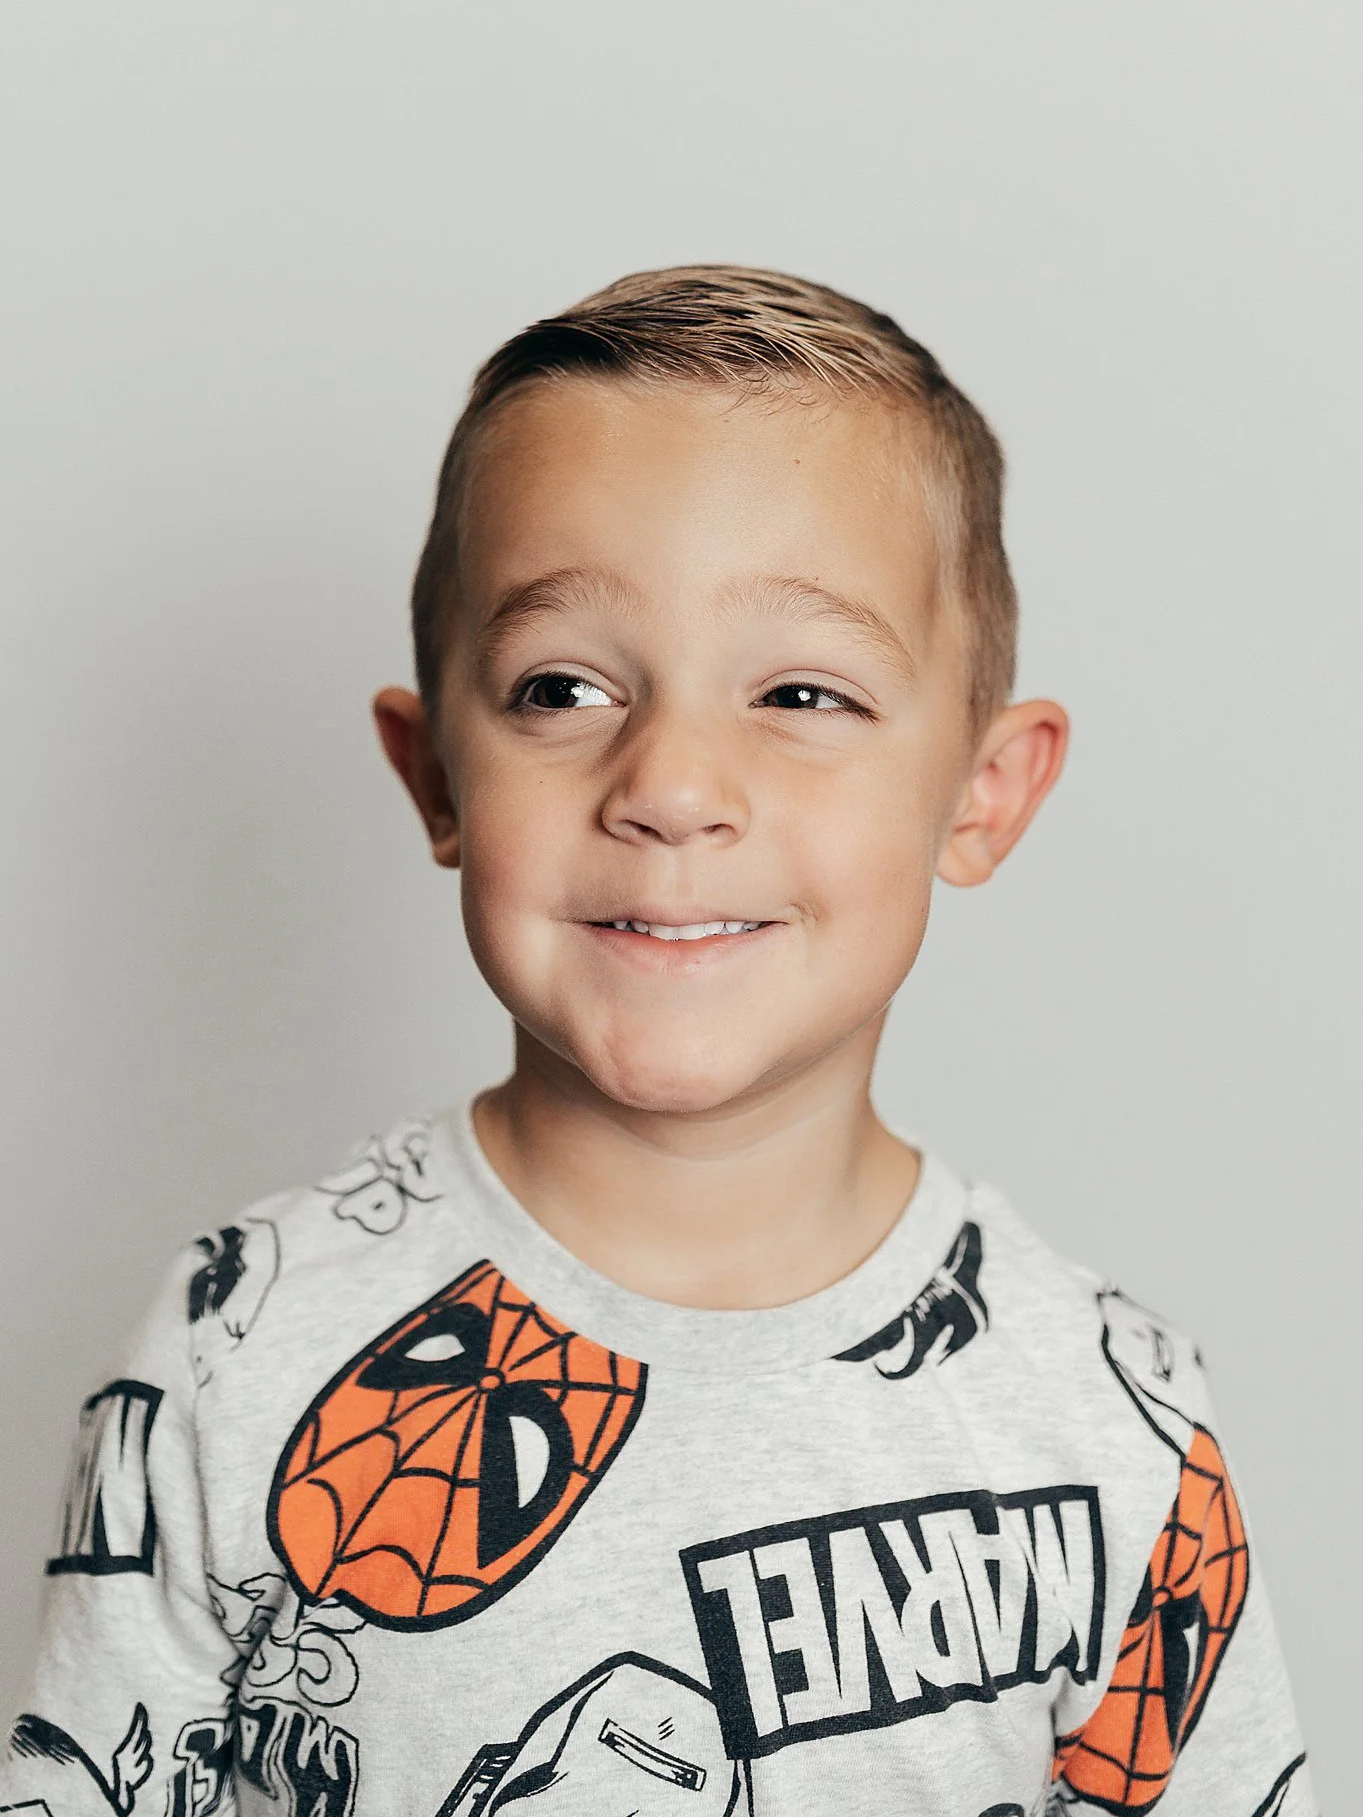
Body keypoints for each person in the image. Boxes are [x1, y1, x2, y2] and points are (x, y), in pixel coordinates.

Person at [1, 267, 1313, 1817]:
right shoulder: (236, 1355)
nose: (673, 784)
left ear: (982, 791)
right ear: (436, 778)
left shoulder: (1108, 1416)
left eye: (799, 691)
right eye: (560, 689)